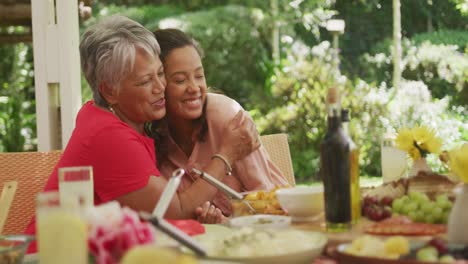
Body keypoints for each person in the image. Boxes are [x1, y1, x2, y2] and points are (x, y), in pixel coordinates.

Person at [25, 15, 260, 248]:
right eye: (145, 81)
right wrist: (227, 154)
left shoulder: (104, 117)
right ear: (109, 91)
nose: (160, 88)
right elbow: (175, 211)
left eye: (160, 74)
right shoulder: (109, 137)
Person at [150, 28, 289, 218]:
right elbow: (171, 214)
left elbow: (268, 202)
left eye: (199, 76)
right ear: (158, 84)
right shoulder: (153, 138)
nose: (194, 88)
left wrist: (226, 222)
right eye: (180, 80)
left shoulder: (228, 118)